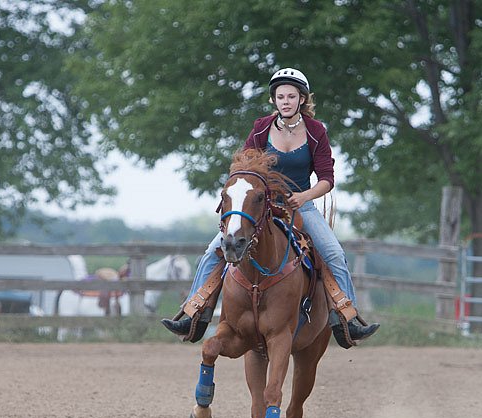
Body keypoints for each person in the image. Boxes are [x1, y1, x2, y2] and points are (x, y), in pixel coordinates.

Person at [162, 68, 379, 347]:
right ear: (273, 100)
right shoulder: (262, 128)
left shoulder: (315, 131)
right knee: (213, 251)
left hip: (301, 208)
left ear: (302, 99)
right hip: (261, 207)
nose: (286, 101)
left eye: (291, 96)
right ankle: (194, 315)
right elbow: (243, 166)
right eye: (280, 97)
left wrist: (304, 197)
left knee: (334, 253)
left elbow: (327, 179)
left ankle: (346, 321)